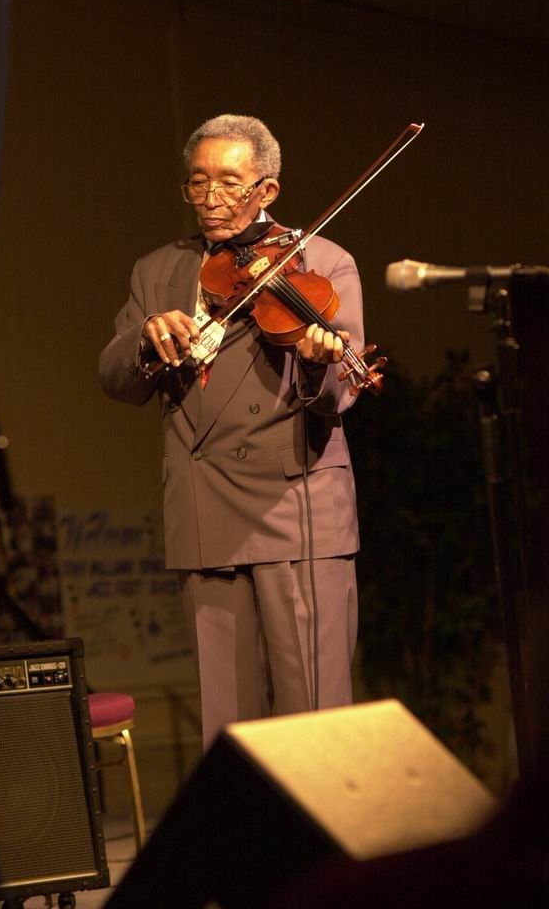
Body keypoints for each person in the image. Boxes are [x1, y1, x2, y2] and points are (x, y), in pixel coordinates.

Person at [100, 114, 365, 749]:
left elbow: (341, 393)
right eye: (198, 185)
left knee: (315, 718)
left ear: (267, 190)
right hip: (204, 508)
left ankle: (323, 850)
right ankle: (240, 851)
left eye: (230, 184)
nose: (213, 200)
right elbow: (115, 378)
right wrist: (145, 339)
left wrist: (321, 356)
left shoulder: (322, 260)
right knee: (230, 725)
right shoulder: (159, 269)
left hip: (294, 504)